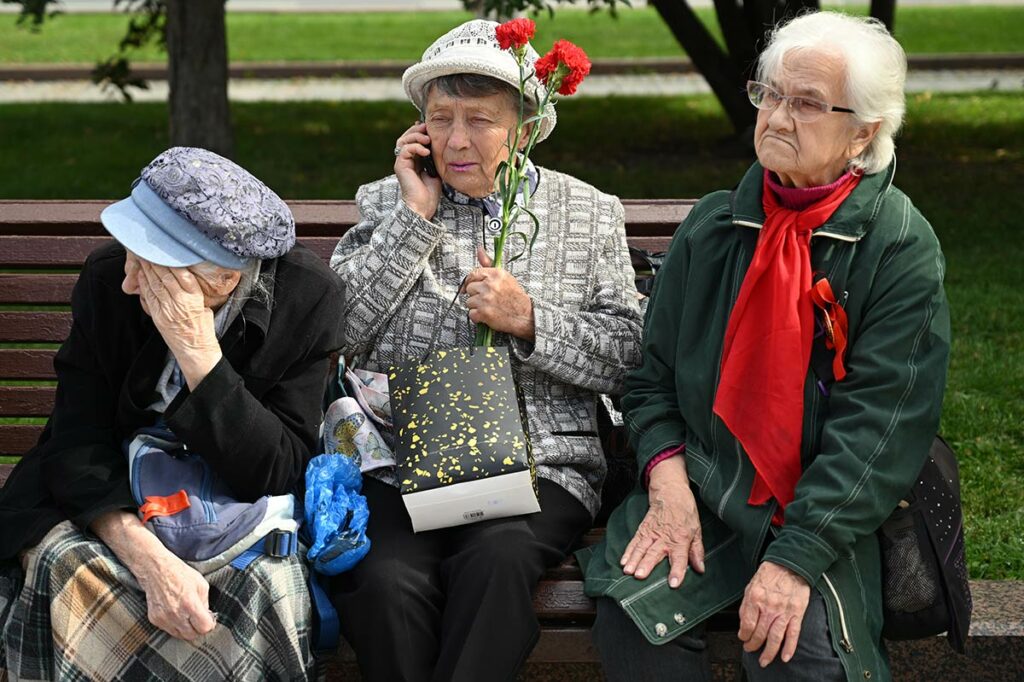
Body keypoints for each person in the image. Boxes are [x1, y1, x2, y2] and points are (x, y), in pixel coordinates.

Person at [579, 11, 950, 682]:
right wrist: (666, 482)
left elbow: (879, 432)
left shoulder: (897, 245)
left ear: (862, 132)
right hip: (704, 489)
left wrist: (795, 558)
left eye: (806, 103)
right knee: (637, 626)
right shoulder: (715, 226)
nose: (777, 117)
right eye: (769, 94)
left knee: (800, 653)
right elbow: (651, 381)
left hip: (822, 508)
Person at [329, 19, 643, 682]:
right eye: (440, 118)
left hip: (539, 468)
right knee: (386, 582)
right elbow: (337, 333)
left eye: (481, 120)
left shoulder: (586, 212)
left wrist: (530, 321)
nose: (457, 140)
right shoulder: (387, 203)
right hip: (402, 466)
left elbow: (627, 357)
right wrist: (412, 222)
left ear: (526, 128)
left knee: (495, 560)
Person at [0, 147, 345, 680]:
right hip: (110, 495)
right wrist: (148, 558)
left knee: (268, 584)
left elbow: (279, 468)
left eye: (151, 265)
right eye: (129, 253)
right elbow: (75, 440)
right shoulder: (107, 278)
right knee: (66, 565)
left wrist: (198, 356)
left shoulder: (307, 297)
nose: (129, 281)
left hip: (233, 504)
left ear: (225, 279)